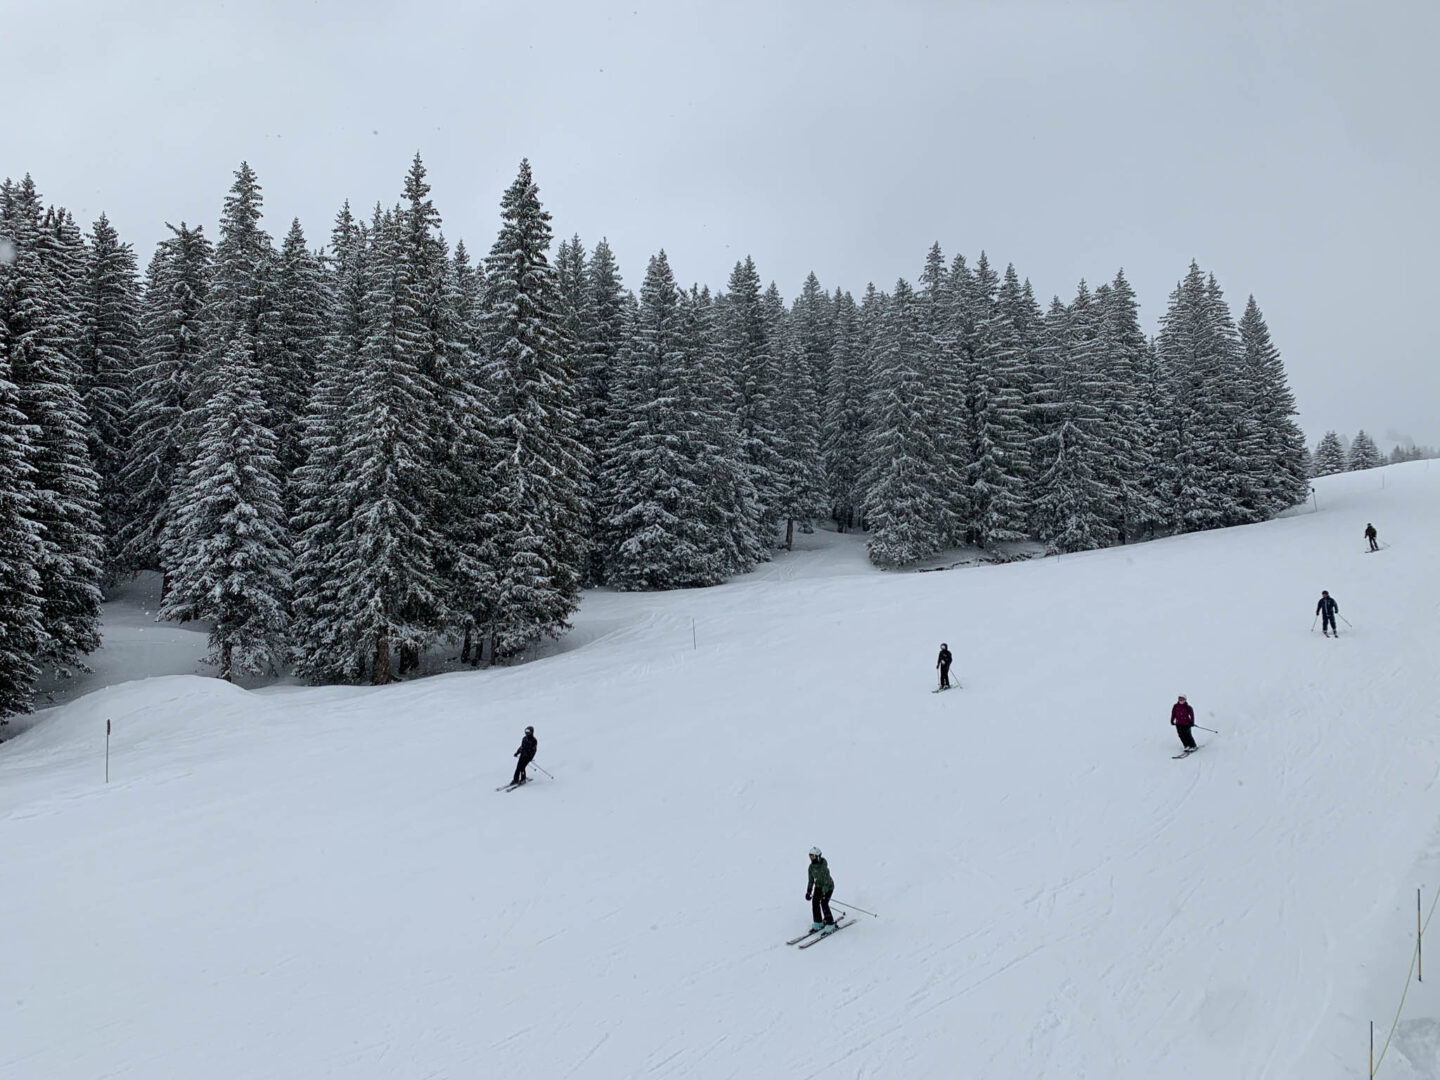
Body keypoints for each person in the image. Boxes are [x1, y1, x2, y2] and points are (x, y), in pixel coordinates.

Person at [806, 847, 837, 932]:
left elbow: (826, 882)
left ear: (818, 856)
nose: (811, 858)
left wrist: (823, 894)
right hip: (819, 886)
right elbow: (811, 880)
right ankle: (818, 922)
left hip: (828, 887)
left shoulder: (823, 868)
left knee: (824, 903)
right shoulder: (811, 867)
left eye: (813, 856)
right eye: (810, 856)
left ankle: (830, 924)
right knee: (815, 902)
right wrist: (808, 891)